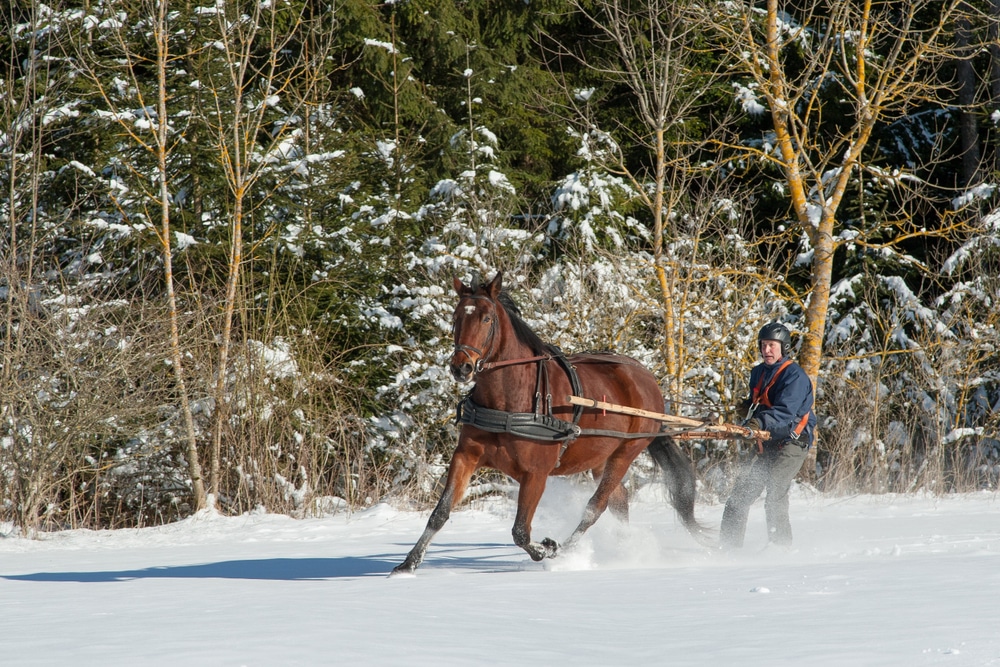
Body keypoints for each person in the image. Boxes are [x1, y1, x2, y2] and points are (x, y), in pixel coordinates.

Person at [720, 322, 816, 550]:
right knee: (739, 496)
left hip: (791, 442)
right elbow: (762, 403)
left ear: (784, 347)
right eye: (764, 345)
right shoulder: (758, 372)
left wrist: (758, 421)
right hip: (767, 443)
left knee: (775, 492)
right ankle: (728, 549)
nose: (767, 350)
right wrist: (747, 408)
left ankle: (780, 549)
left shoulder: (795, 376)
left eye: (772, 345)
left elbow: (784, 412)